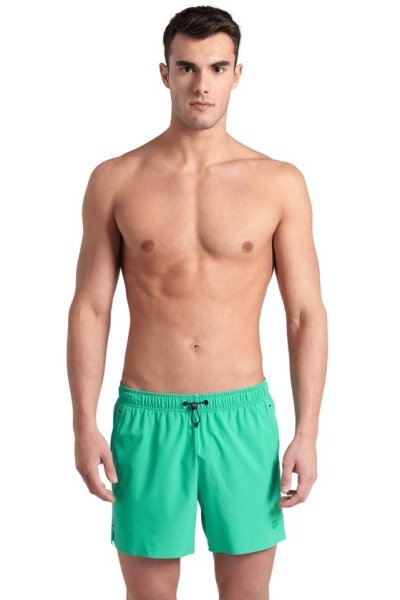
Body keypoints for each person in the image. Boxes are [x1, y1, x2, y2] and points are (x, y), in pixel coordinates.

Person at [67, 5, 328, 599]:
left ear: (238, 74)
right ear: (165, 73)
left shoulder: (278, 182)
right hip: (147, 416)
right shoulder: (117, 179)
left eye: (217, 68)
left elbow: (304, 314)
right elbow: (90, 308)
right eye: (186, 67)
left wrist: (308, 431)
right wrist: (83, 423)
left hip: (242, 418)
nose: (201, 84)